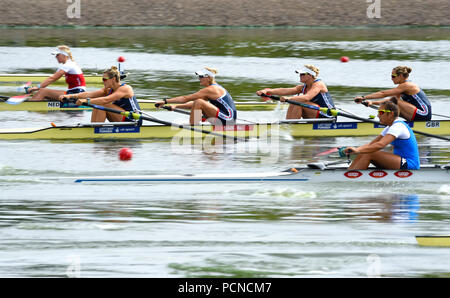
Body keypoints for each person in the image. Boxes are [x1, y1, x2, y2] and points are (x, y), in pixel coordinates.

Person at [344, 98, 420, 170]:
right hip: (400, 160)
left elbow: (380, 145)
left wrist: (358, 151)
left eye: (381, 112)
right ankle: (349, 174)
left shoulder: (398, 126)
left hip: (410, 163)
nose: (378, 115)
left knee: (370, 153)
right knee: (365, 151)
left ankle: (352, 178)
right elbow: (372, 144)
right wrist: (356, 149)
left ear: (391, 114)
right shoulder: (389, 127)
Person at [155, 67, 236, 125]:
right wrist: (176, 106)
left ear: (208, 78)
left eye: (201, 76)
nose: (199, 79)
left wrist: (165, 101)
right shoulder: (213, 88)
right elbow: (194, 104)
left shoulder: (211, 89)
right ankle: (197, 123)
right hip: (226, 118)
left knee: (199, 102)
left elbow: (185, 98)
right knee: (199, 102)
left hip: (228, 119)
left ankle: (194, 126)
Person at [59, 66, 140, 123]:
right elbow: (89, 94)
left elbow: (106, 100)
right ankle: (94, 127)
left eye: (105, 79)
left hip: (133, 119)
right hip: (121, 117)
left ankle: (96, 129)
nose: (103, 81)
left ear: (114, 79)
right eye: (102, 79)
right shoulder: (108, 90)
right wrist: (70, 96)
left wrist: (86, 101)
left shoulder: (125, 88)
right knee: (97, 102)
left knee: (102, 103)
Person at [256, 64, 335, 119]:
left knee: (298, 101)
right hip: (315, 112)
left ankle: (291, 127)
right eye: (300, 74)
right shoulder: (303, 87)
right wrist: (267, 91)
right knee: (294, 101)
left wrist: (288, 98)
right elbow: (285, 90)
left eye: (302, 74)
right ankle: (288, 124)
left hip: (328, 114)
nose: (300, 76)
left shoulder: (318, 84)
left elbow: (306, 97)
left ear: (310, 75)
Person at [354, 66, 432, 121]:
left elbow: (383, 93)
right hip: (417, 114)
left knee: (395, 103)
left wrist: (364, 97)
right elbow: (391, 100)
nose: (391, 78)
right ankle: (385, 121)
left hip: (423, 114)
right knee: (393, 105)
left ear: (401, 76)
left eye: (393, 76)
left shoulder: (407, 85)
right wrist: (372, 102)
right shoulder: (401, 87)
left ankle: (383, 122)